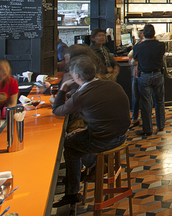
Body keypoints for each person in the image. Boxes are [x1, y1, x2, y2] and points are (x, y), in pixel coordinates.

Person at [51, 55, 130, 206]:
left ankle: (74, 190)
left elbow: (57, 110)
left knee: (69, 145)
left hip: (103, 141)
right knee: (77, 138)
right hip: (122, 135)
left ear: (77, 76)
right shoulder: (112, 85)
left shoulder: (82, 95)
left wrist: (63, 89)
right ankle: (89, 169)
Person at [130, 24, 166, 136]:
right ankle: (161, 125)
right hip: (158, 74)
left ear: (143, 34)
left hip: (144, 75)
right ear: (154, 33)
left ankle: (147, 129)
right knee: (159, 101)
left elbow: (134, 60)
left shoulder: (138, 47)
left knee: (146, 102)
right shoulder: (161, 45)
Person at [129, 29, 146, 127]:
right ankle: (136, 118)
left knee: (142, 98)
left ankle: (142, 118)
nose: (140, 34)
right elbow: (131, 57)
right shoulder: (137, 44)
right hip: (137, 74)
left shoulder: (144, 45)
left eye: (142, 33)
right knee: (136, 98)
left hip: (142, 74)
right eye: (139, 33)